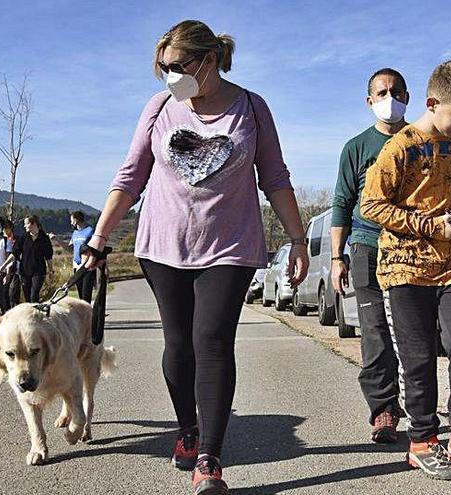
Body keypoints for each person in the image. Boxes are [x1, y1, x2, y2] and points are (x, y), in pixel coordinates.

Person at [82, 20, 308, 495]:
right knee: (178, 345)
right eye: (162, 68)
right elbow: (130, 178)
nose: (168, 76)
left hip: (230, 246)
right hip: (163, 246)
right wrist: (99, 238)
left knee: (212, 341)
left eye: (177, 66)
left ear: (209, 60)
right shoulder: (159, 107)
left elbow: (275, 177)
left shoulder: (251, 107)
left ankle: (210, 458)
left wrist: (298, 238)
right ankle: (187, 428)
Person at [360, 59, 451, 481]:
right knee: (418, 358)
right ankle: (422, 440)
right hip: (404, 268)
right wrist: (426, 224)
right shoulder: (399, 148)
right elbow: (371, 206)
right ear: (432, 103)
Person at [330, 68, 409, 444]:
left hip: (413, 249)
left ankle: (419, 404)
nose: (389, 97)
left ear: (408, 97)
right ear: (369, 101)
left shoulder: (421, 140)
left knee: (412, 331)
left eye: (395, 91)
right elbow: (341, 204)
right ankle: (384, 410)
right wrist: (336, 257)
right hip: (366, 246)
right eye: (382, 92)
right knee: (375, 330)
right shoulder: (356, 147)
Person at [0, 215, 53, 304]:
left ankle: (35, 314)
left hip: (39, 271)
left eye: (26, 224)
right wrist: (3, 266)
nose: (24, 226)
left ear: (33, 224)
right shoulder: (23, 238)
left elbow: (48, 256)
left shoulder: (44, 238)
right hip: (25, 271)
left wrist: (51, 270)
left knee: (34, 295)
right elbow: (14, 254)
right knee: (27, 296)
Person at [69, 211, 95, 302]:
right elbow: (69, 248)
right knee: (80, 296)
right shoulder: (74, 233)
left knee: (86, 295)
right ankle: (82, 315)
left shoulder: (90, 231)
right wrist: (57, 239)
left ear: (76, 219)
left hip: (88, 266)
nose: (71, 222)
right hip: (77, 266)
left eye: (71, 220)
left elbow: (94, 248)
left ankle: (88, 315)